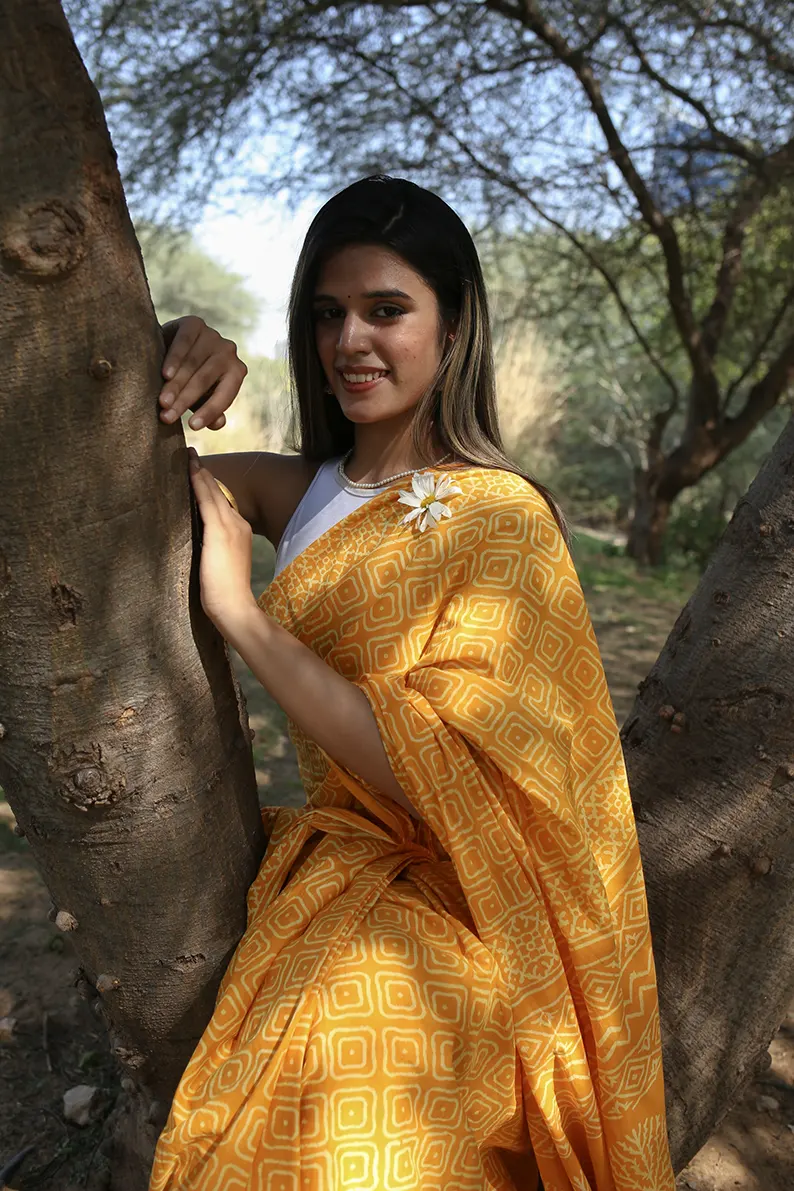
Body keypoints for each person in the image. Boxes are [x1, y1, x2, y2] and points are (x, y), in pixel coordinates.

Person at [148, 176, 675, 1191]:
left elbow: (438, 768)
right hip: (343, 867)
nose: (350, 341)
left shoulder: (500, 517)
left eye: (386, 310)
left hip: (476, 909)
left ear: (453, 325)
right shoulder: (299, 490)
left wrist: (244, 619)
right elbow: (122, 477)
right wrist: (168, 349)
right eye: (327, 314)